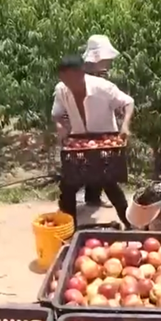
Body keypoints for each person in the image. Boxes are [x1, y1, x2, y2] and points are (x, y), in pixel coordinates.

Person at [52, 54, 134, 228]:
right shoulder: (61, 89)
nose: (69, 84)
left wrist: (125, 126)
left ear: (81, 73)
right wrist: (60, 126)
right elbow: (57, 113)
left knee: (108, 183)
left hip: (104, 142)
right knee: (68, 186)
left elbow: (128, 102)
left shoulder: (102, 87)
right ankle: (70, 229)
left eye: (72, 79)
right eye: (65, 80)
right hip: (79, 143)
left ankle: (130, 223)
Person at [81, 35, 121, 208]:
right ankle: (115, 203)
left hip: (98, 121)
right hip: (92, 122)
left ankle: (92, 197)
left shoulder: (98, 73)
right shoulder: (87, 75)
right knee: (100, 162)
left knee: (95, 160)